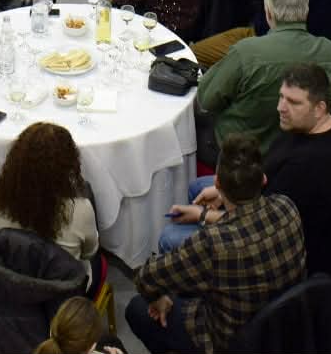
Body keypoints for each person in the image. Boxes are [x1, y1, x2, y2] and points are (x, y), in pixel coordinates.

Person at [126, 132, 306, 354]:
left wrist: (159, 299)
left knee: (137, 308)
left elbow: (146, 277)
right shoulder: (287, 207)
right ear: (263, 180)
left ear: (217, 183)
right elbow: (249, 223)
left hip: (230, 341)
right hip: (283, 326)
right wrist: (202, 215)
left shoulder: (212, 244)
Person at [161, 63, 331, 267]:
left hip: (277, 242)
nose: (281, 107)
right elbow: (269, 168)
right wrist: (224, 192)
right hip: (264, 200)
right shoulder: (311, 124)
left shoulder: (307, 166)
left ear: (319, 108)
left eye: (293, 102)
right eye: (281, 97)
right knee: (198, 187)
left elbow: (261, 227)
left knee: (170, 236)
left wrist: (203, 215)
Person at [196, 0, 331, 148]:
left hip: (242, 154)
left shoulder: (245, 53)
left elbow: (206, 99)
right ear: (306, 11)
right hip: (303, 150)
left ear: (268, 13)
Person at [0, 121, 102, 266]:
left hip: (8, 274)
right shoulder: (81, 210)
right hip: (63, 279)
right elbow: (89, 252)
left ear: (16, 159)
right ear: (68, 165)